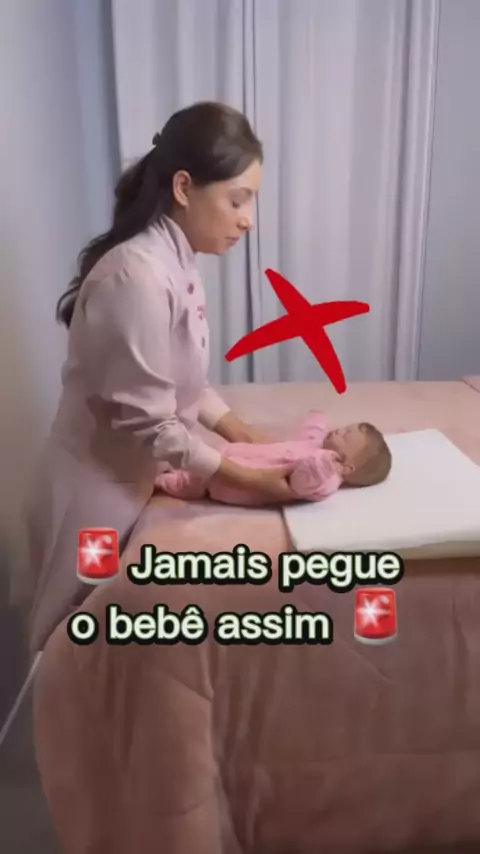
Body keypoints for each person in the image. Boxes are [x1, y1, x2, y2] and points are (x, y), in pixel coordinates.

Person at [21, 101, 297, 654]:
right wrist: (247, 478)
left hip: (131, 479)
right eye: (237, 200)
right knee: (68, 651)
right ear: (183, 187)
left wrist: (244, 435)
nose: (248, 219)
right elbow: (152, 424)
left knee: (91, 657)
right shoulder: (137, 278)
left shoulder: (176, 261)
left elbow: (182, 382)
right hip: (94, 492)